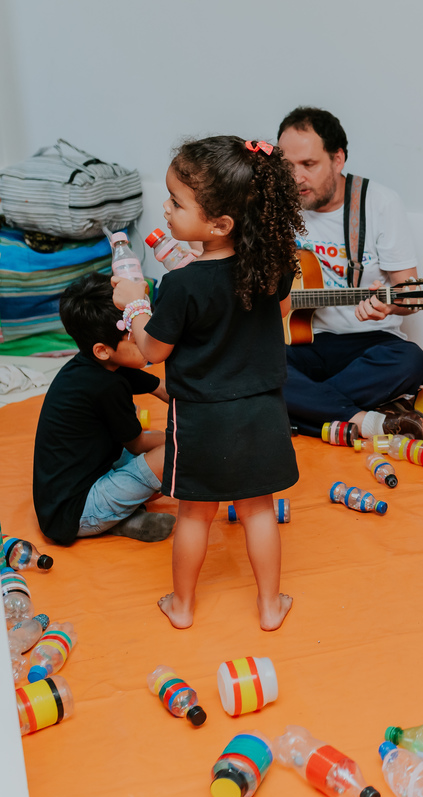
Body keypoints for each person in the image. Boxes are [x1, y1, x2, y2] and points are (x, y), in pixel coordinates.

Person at [112, 136, 302, 631]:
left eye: (176, 203)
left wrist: (133, 303)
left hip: (201, 416)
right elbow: (280, 310)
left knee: (195, 513)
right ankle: (268, 606)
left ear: (219, 224)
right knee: (258, 510)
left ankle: (182, 606)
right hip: (262, 409)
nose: (166, 209)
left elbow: (152, 351)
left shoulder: (181, 285)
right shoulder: (274, 267)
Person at [276, 107, 423, 441]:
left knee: (412, 361)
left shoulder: (378, 203)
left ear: (338, 159)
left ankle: (294, 414)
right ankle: (360, 420)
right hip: (303, 341)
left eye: (308, 164)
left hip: (368, 344)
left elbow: (412, 294)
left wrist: (391, 306)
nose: (296, 177)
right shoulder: (277, 205)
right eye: (287, 166)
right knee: (254, 362)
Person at [32, 272, 175, 546]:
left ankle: (121, 518)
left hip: (82, 484)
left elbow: (160, 386)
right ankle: (108, 520)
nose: (148, 341)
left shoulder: (98, 363)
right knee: (178, 451)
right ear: (102, 349)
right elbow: (138, 444)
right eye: (137, 340)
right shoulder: (105, 386)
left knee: (166, 467)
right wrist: (191, 433)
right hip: (75, 513)